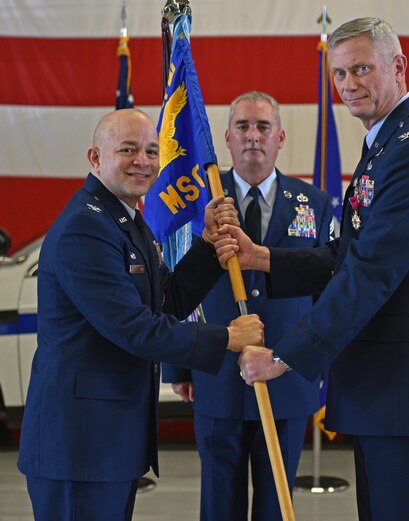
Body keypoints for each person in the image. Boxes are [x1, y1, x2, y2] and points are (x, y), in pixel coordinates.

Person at [216, 18, 409, 521]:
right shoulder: (389, 140)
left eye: (361, 68)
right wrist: (262, 258)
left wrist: (285, 356)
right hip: (387, 385)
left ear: (397, 66)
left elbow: (371, 274)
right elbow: (349, 255)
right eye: (338, 74)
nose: (348, 85)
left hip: (405, 386)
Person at [17, 108, 264, 521]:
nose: (143, 161)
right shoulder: (86, 227)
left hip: (109, 440)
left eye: (152, 151)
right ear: (95, 158)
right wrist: (227, 338)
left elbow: (164, 301)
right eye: (128, 149)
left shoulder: (126, 220)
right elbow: (134, 328)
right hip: (80, 444)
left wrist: (206, 245)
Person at [162, 91, 335, 521]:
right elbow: (177, 286)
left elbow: (326, 295)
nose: (252, 136)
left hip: (288, 374)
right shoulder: (199, 201)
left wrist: (318, 365)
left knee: (277, 500)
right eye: (242, 126)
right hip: (216, 373)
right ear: (226, 137)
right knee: (219, 502)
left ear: (281, 138)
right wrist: (180, 366)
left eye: (262, 127)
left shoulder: (314, 203)